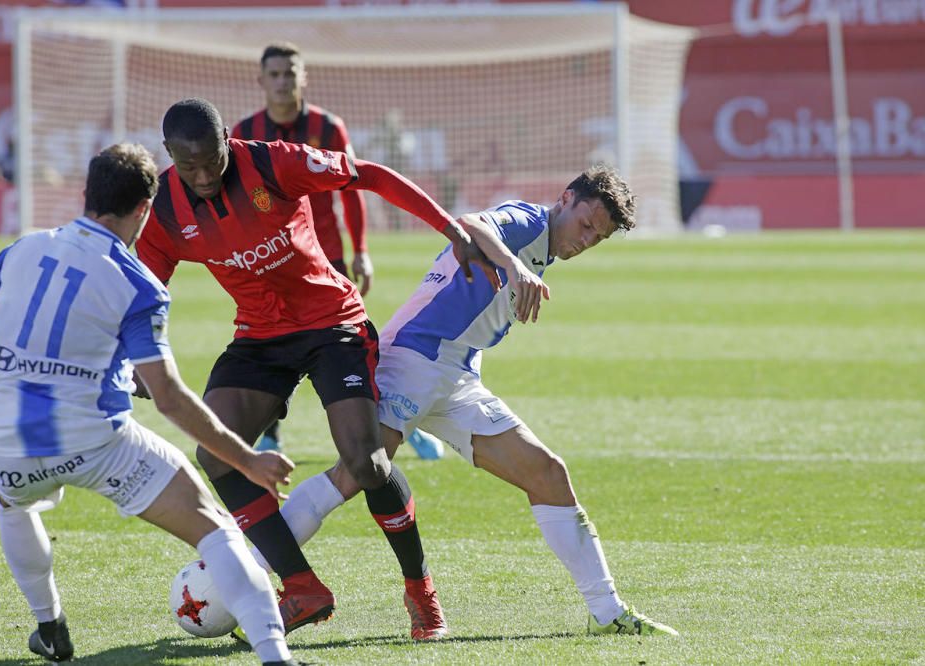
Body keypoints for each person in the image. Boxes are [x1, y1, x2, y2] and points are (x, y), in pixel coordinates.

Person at [256, 166, 679, 637]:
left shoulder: (544, 247)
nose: (585, 241)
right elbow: (471, 224)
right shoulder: (528, 222)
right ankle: (238, 577)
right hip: (414, 358)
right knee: (353, 475)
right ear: (565, 199)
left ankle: (607, 612)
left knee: (547, 473)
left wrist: (518, 269)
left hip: (456, 376)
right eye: (585, 225)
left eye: (597, 238)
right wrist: (514, 267)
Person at [135, 98, 496, 640]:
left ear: (228, 138)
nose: (205, 176)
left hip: (333, 325)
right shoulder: (163, 209)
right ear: (169, 155)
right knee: (215, 452)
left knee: (366, 463)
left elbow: (370, 175)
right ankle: (302, 587)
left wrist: (451, 230)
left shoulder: (273, 163)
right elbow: (144, 290)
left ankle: (420, 588)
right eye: (190, 167)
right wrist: (131, 359)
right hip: (260, 336)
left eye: (213, 160)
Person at [0, 143, 302, 665]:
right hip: (99, 445)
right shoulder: (137, 284)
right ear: (144, 210)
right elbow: (169, 397)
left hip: (10, 446)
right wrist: (247, 458)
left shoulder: (23, 250)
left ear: (87, 193)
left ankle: (50, 626)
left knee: (11, 502)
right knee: (216, 530)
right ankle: (275, 655)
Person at [231, 42, 443, 460]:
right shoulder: (244, 132)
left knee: (355, 346)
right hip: (270, 262)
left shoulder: (328, 127)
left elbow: (352, 191)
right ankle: (271, 435)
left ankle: (397, 421)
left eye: (289, 73)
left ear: (303, 78)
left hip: (325, 260)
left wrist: (360, 249)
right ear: (261, 81)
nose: (282, 82)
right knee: (270, 345)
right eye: (274, 74)